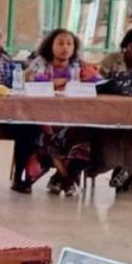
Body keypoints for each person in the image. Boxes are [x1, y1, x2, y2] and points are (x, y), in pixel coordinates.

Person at [22, 28, 102, 196]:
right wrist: (52, 82)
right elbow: (28, 77)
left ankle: (61, 178)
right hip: (45, 118)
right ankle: (68, 180)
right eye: (60, 43)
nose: (65, 47)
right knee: (47, 135)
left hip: (73, 118)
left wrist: (85, 77)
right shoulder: (41, 62)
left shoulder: (78, 64)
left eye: (69, 44)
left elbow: (98, 80)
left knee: (84, 135)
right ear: (51, 45)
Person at [95, 27, 132, 191]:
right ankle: (123, 170)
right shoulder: (111, 59)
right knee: (114, 129)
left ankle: (129, 172)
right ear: (125, 46)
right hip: (109, 111)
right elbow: (99, 84)